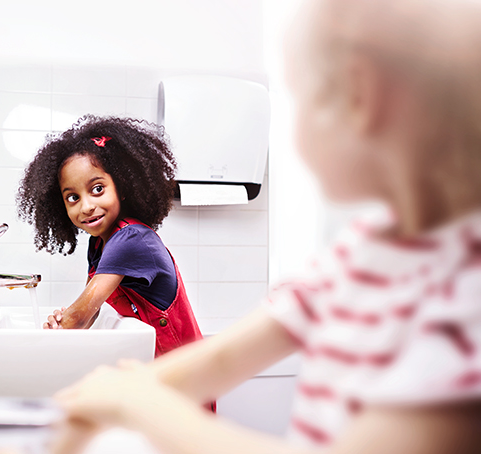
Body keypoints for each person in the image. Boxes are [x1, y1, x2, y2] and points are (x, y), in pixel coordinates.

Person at [50, 0, 481, 452]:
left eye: (299, 98)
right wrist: (91, 408)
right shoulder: (363, 251)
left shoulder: (465, 296)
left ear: (360, 96)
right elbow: (220, 358)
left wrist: (137, 405)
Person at [16, 115, 203, 357]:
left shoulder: (131, 239)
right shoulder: (99, 244)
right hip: (160, 373)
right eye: (73, 197)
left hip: (184, 379)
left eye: (97, 189)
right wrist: (63, 322)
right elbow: (90, 311)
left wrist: (59, 327)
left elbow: (80, 317)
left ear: (122, 188)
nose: (86, 206)